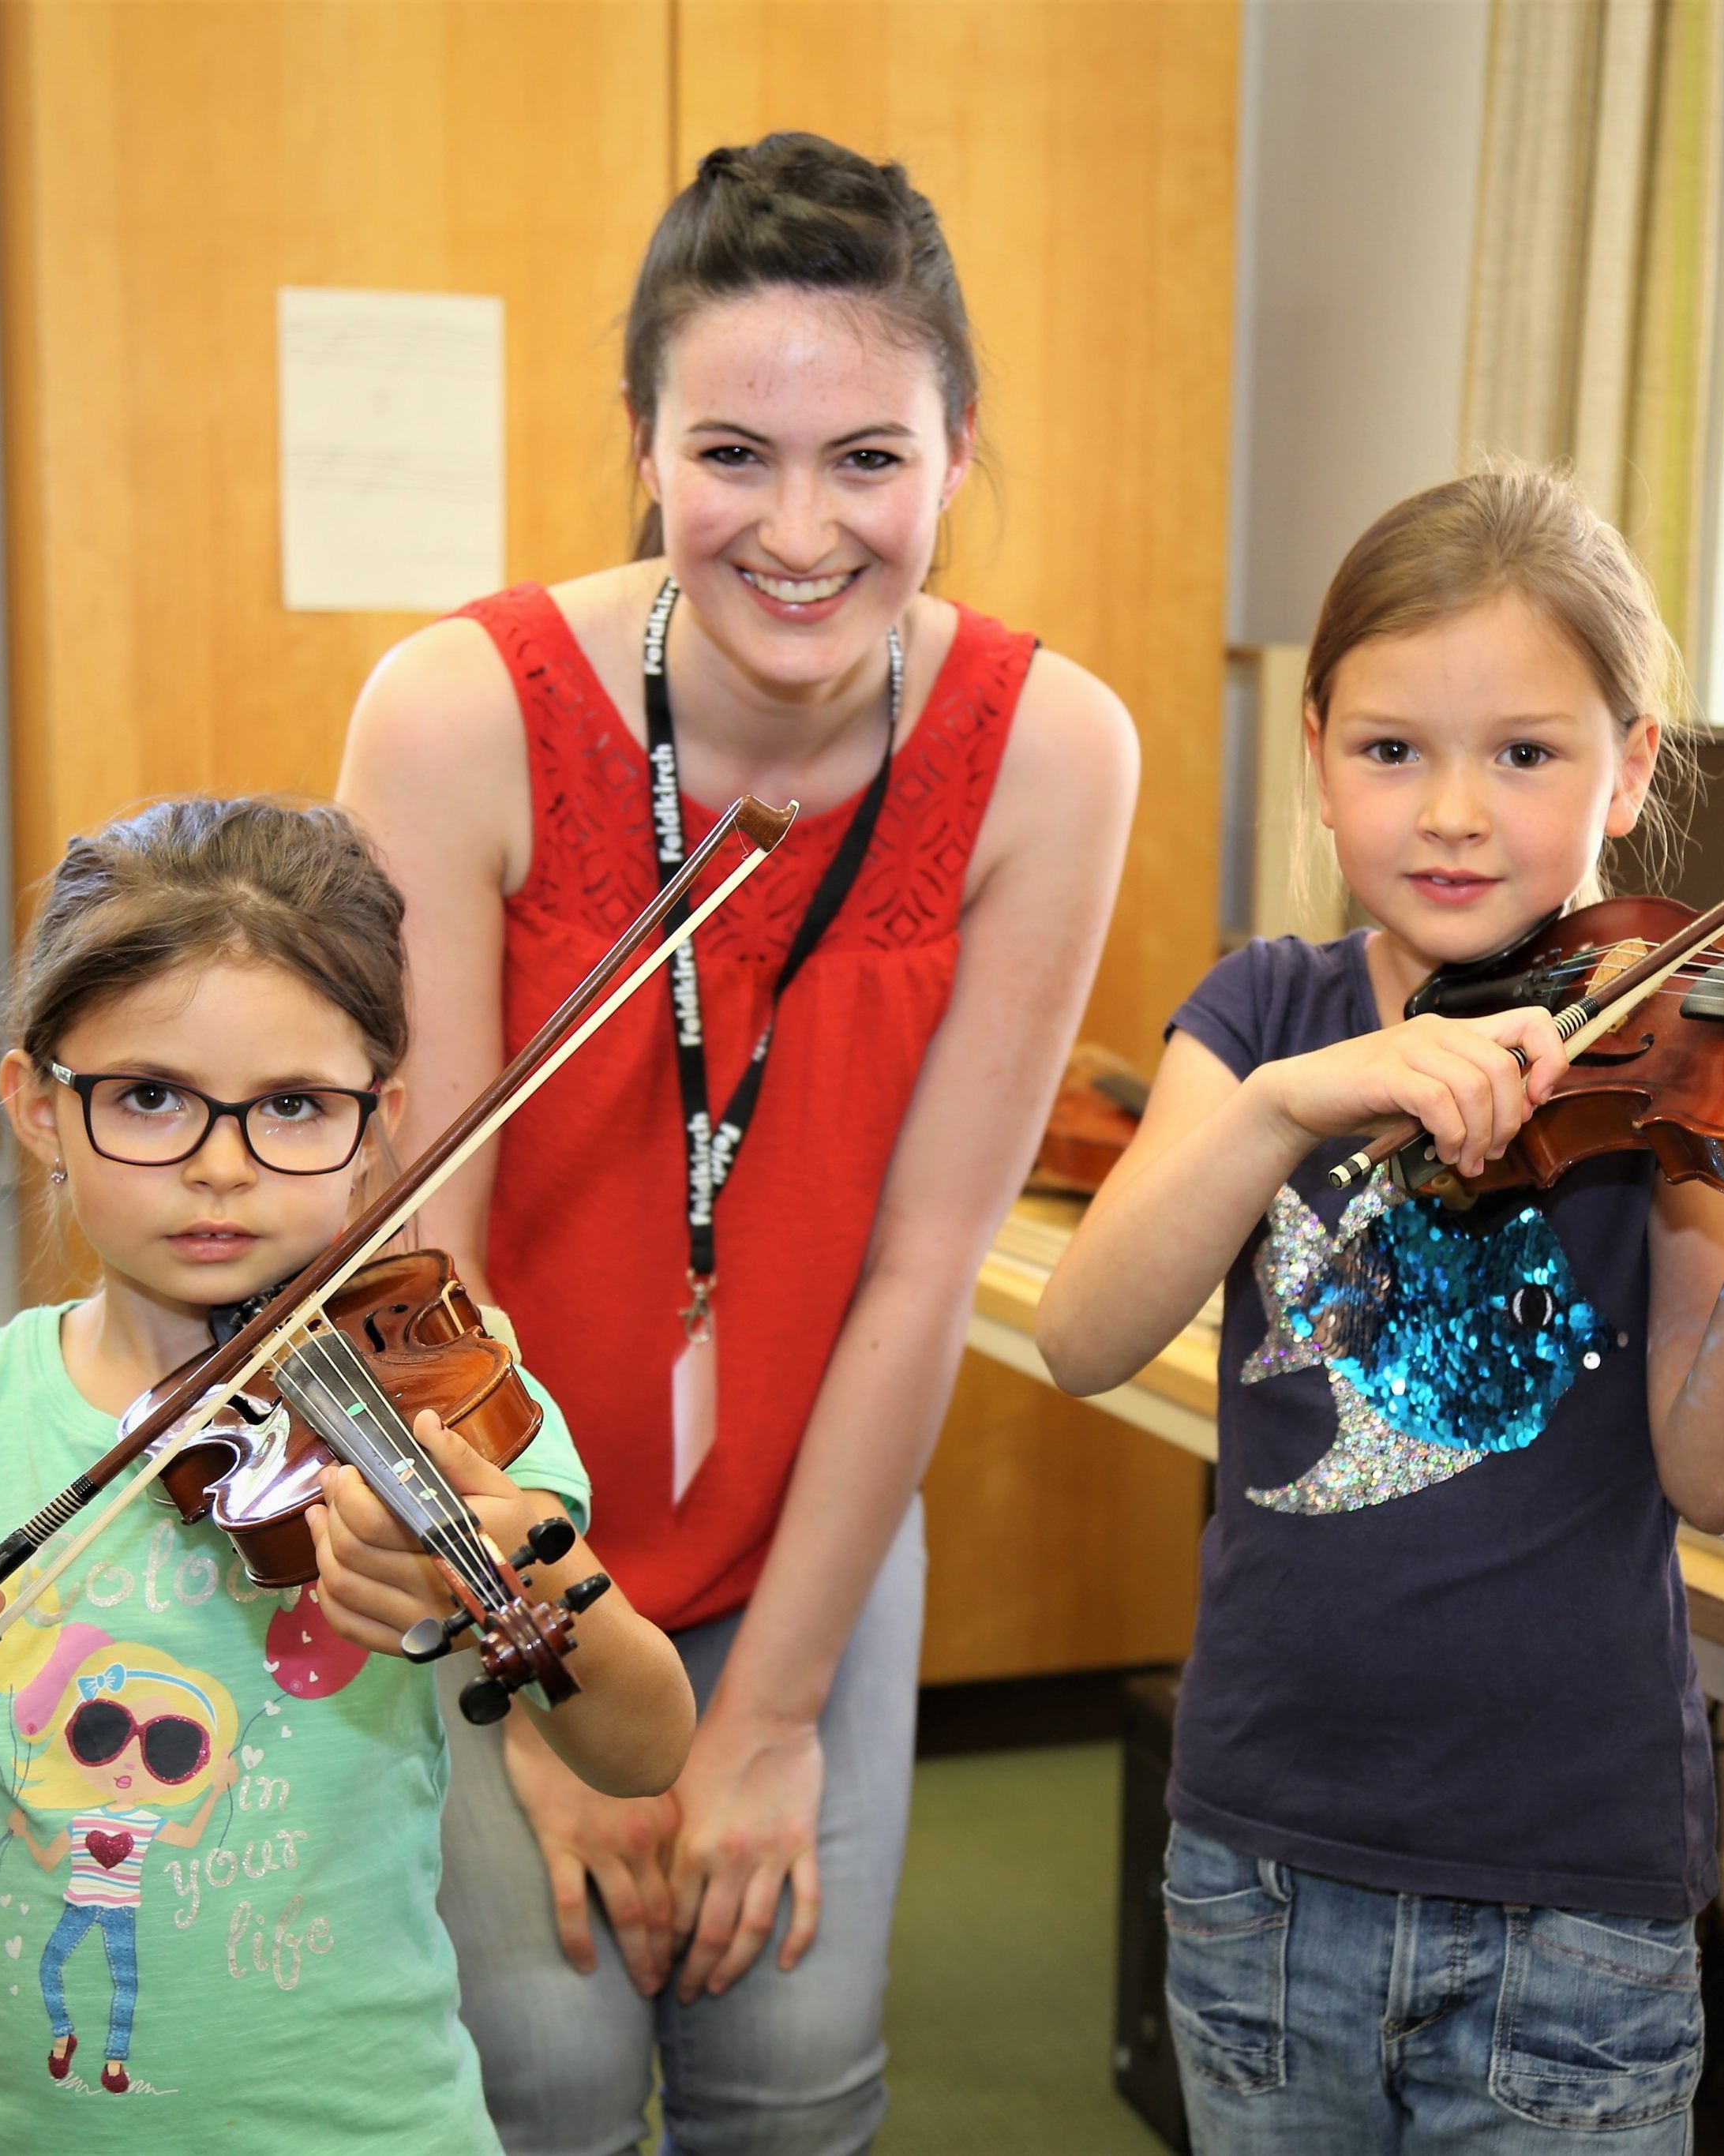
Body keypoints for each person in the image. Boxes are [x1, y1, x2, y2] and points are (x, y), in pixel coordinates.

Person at [1036, 467, 1724, 2151]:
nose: (1453, 813)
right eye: (1391, 749)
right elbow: (1084, 1335)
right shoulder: (1263, 1014)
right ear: (1317, 754)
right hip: (1266, 1865)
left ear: (1629, 768)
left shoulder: (1671, 1059)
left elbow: (1719, 1472)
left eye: (1525, 754)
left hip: (1572, 1901)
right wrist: (1279, 1106)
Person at [336, 133, 1136, 2153]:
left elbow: (926, 1267)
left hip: (812, 1513)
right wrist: (541, 1672)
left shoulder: (1053, 752)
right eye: (731, 454)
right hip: (491, 1517)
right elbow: (415, 1264)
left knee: (792, 2079)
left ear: (957, 454)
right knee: (542, 2070)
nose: (799, 530)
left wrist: (767, 1716)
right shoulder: (455, 711)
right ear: (642, 442)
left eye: (868, 457)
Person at [0, 797, 695, 2151]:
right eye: (149, 1098)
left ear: (379, 1123)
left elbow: (642, 1751)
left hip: (369, 2128)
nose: (220, 1168)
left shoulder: (436, 1400)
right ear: (39, 1106)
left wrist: (535, 1584)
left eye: (293, 1107)